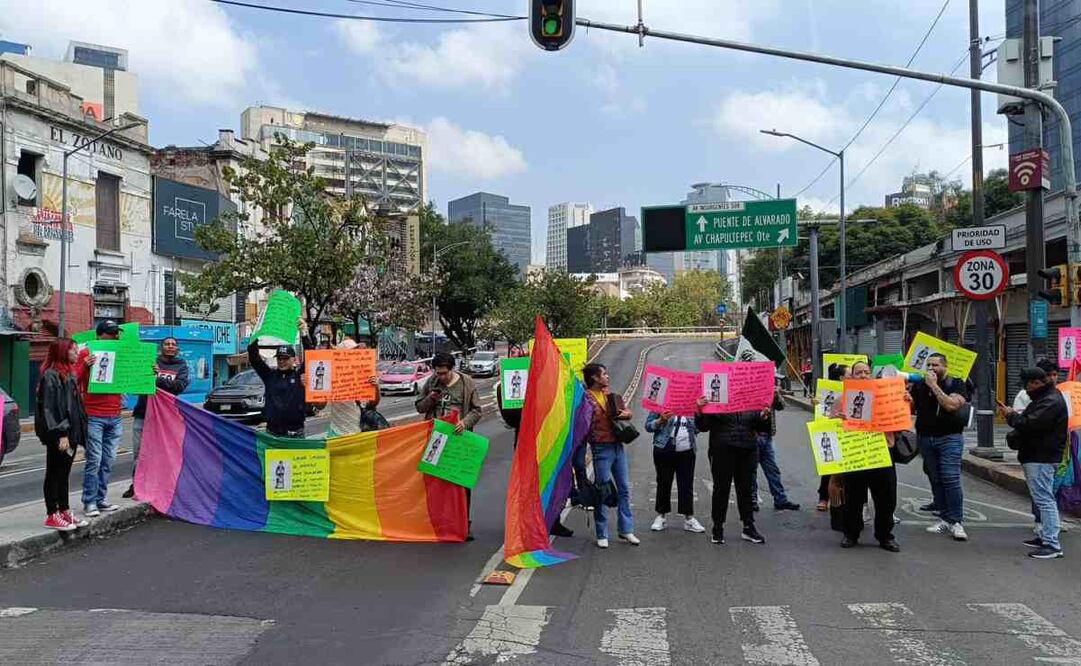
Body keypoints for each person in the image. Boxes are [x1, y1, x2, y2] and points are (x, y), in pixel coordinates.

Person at [1000, 367, 1068, 559]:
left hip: (1042, 457)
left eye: (1027, 385)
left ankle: (1052, 544)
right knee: (1043, 498)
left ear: (1035, 383)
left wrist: (1011, 415)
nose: (1026, 389)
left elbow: (1031, 424)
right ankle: (1045, 536)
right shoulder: (1046, 398)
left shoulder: (1050, 401)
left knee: (1045, 500)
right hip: (1039, 456)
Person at [416, 352, 483, 539]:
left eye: (444, 373)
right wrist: (431, 398)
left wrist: (465, 423)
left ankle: (463, 524)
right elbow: (419, 407)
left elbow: (477, 410)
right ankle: (439, 523)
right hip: (436, 440)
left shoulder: (466, 383)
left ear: (452, 369)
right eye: (438, 373)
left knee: (461, 483)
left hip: (459, 441)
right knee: (436, 483)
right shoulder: (431, 383)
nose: (441, 377)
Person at [495, 381, 574, 538]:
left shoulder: (555, 377)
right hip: (527, 443)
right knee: (528, 485)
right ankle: (527, 524)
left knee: (553, 483)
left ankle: (553, 521)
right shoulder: (510, 381)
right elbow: (511, 418)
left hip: (551, 440)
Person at [839, 361, 902, 552]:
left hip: (882, 453)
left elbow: (899, 422)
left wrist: (905, 402)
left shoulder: (886, 397)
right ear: (852, 377)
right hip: (856, 454)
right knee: (853, 498)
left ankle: (885, 536)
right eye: (859, 372)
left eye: (867, 372)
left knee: (886, 498)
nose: (864, 375)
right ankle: (851, 534)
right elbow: (831, 422)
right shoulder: (843, 397)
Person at [911, 352, 971, 541]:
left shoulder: (957, 383)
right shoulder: (920, 384)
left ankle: (956, 521)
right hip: (926, 438)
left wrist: (934, 385)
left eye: (935, 365)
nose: (931, 369)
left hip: (949, 438)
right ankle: (945, 517)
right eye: (928, 365)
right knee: (935, 477)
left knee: (950, 478)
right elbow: (913, 406)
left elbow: (952, 405)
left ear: (945, 367)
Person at [696, 395, 769, 546]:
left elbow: (762, 428)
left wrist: (764, 417)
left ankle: (748, 527)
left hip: (747, 448)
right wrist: (700, 410)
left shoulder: (751, 397)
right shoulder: (716, 397)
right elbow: (703, 427)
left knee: (746, 489)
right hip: (722, 449)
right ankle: (718, 528)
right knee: (721, 489)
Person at [123, 337, 190, 499]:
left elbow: (179, 387)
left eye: (173, 344)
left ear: (177, 349)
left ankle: (163, 484)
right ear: (161, 347)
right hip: (142, 413)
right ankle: (136, 485)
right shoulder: (149, 362)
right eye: (167, 344)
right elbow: (137, 383)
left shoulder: (182, 366)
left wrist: (157, 377)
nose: (170, 346)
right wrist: (147, 373)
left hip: (166, 418)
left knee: (163, 452)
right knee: (139, 452)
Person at [583, 363, 639, 549]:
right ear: (595, 378)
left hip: (618, 446)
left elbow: (628, 411)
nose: (608, 377)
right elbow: (580, 424)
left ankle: (626, 529)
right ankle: (602, 532)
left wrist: (627, 415)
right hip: (600, 448)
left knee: (623, 488)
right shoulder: (585, 398)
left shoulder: (611, 396)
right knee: (603, 491)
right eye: (604, 374)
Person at [36, 338, 89, 531]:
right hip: (60, 434)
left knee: (64, 473)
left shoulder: (70, 374)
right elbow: (51, 408)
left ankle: (64, 510)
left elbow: (74, 406)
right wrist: (62, 433)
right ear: (63, 352)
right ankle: (52, 514)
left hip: (71, 432)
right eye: (74, 350)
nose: (77, 353)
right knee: (54, 473)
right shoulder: (51, 376)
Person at [75, 320, 125, 518]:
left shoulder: (121, 354)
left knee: (109, 460)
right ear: (100, 335)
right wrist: (84, 366)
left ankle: (101, 499)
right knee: (94, 460)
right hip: (94, 415)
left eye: (116, 333)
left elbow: (135, 375)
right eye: (111, 333)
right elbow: (72, 379)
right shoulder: (86, 353)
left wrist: (150, 373)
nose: (115, 337)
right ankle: (89, 501)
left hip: (116, 415)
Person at [247, 318, 311, 438]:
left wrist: (304, 333)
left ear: (294, 359)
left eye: (286, 358)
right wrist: (254, 333)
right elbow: (254, 358)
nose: (282, 361)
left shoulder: (299, 376)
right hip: (272, 434)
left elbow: (311, 357)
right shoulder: (269, 376)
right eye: (279, 358)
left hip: (295, 434)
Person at [644, 409, 705, 533]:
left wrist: (698, 413)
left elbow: (700, 428)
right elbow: (648, 426)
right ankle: (661, 516)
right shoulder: (661, 402)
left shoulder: (692, 403)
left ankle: (689, 518)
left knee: (686, 484)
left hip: (687, 450)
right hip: (664, 448)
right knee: (663, 482)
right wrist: (660, 421)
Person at [751, 389, 800, 512]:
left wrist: (776, 394)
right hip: (752, 436)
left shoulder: (769, 389)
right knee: (751, 471)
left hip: (767, 437)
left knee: (772, 470)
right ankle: (752, 500)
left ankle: (780, 499)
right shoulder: (750, 387)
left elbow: (781, 406)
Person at [325, 339, 386, 435]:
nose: (355, 354)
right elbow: (319, 405)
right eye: (351, 352)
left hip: (360, 431)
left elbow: (373, 404)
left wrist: (376, 387)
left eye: (356, 351)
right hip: (338, 432)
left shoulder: (364, 373)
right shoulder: (332, 375)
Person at [815, 363, 850, 512]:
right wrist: (816, 404)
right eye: (850, 375)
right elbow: (824, 410)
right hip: (832, 431)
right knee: (830, 466)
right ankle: (824, 497)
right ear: (842, 378)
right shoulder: (830, 391)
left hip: (851, 435)